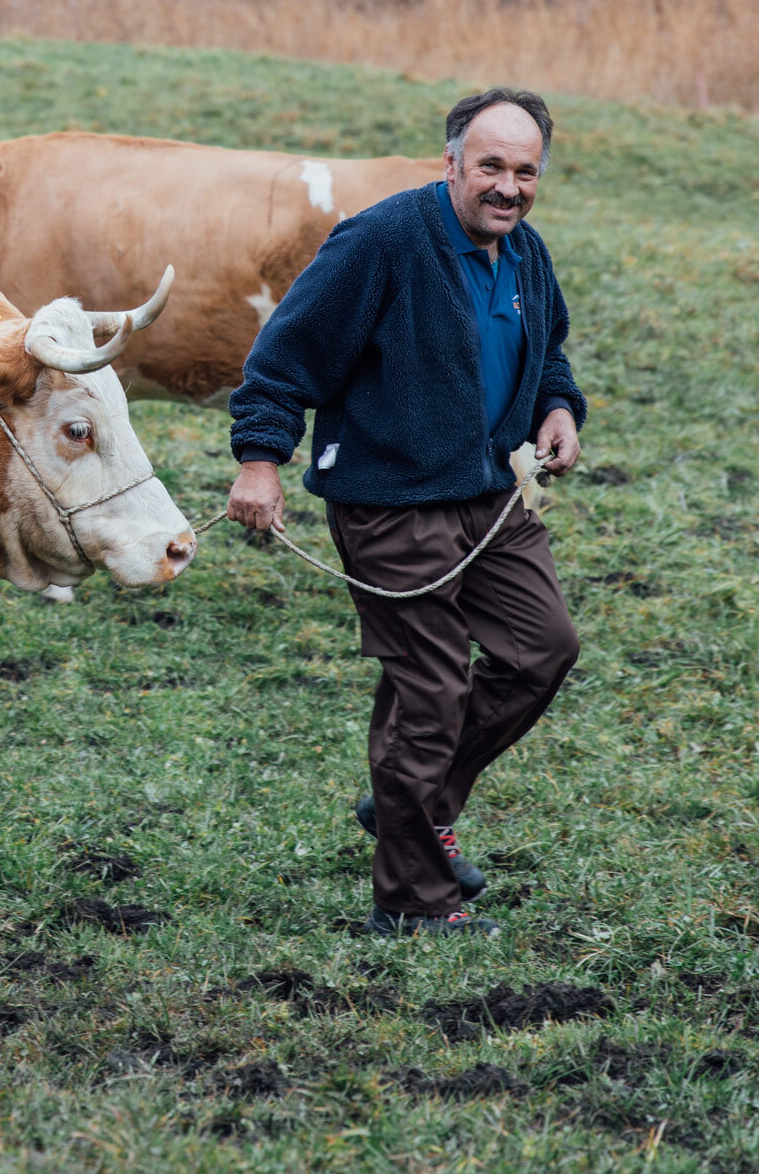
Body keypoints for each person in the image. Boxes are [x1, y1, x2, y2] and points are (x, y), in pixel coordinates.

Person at [226, 88, 584, 938]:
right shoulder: (381, 241)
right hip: (390, 500)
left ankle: (409, 805)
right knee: (429, 691)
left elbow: (549, 348)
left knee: (543, 650)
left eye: (524, 170)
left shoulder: (524, 251)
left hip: (491, 496)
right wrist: (260, 460)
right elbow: (284, 358)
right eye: (490, 166)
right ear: (451, 162)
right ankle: (414, 900)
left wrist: (558, 407)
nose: (508, 186)